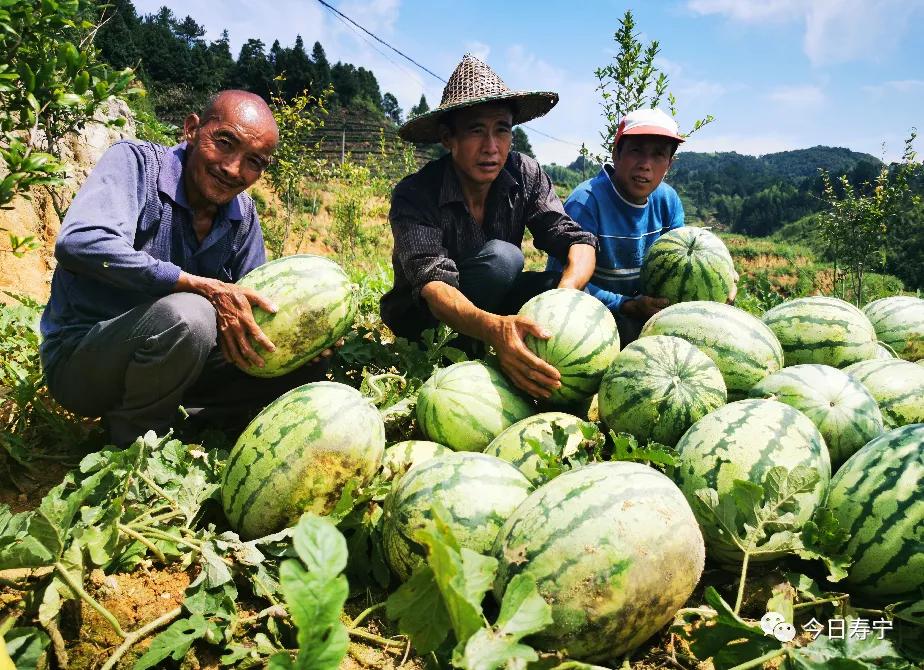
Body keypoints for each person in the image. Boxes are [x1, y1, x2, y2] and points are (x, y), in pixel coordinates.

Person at [40, 90, 331, 447]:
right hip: (84, 362)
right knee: (190, 314)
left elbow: (253, 310)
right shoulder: (135, 163)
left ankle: (190, 425)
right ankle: (132, 449)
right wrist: (195, 285)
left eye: (254, 161)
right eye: (225, 142)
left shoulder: (243, 215)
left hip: (178, 364)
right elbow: (81, 242)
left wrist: (307, 331)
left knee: (301, 363)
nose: (233, 169)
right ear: (191, 129)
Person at [380, 54, 597, 399]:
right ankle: (465, 356)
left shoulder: (524, 173)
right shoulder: (415, 193)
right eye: (476, 131)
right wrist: (495, 329)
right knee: (503, 259)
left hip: (493, 304)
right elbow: (433, 285)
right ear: (448, 139)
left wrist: (567, 293)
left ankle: (543, 369)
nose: (491, 147)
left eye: (502, 130)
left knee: (560, 286)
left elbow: (575, 238)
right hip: (424, 321)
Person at [547, 107, 735, 344]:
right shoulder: (586, 202)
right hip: (592, 316)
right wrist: (626, 305)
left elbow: (682, 269)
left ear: (669, 164)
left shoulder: (668, 201)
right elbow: (561, 282)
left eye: (658, 154)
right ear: (616, 154)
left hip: (647, 311)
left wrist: (723, 278)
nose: (646, 164)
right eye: (636, 150)